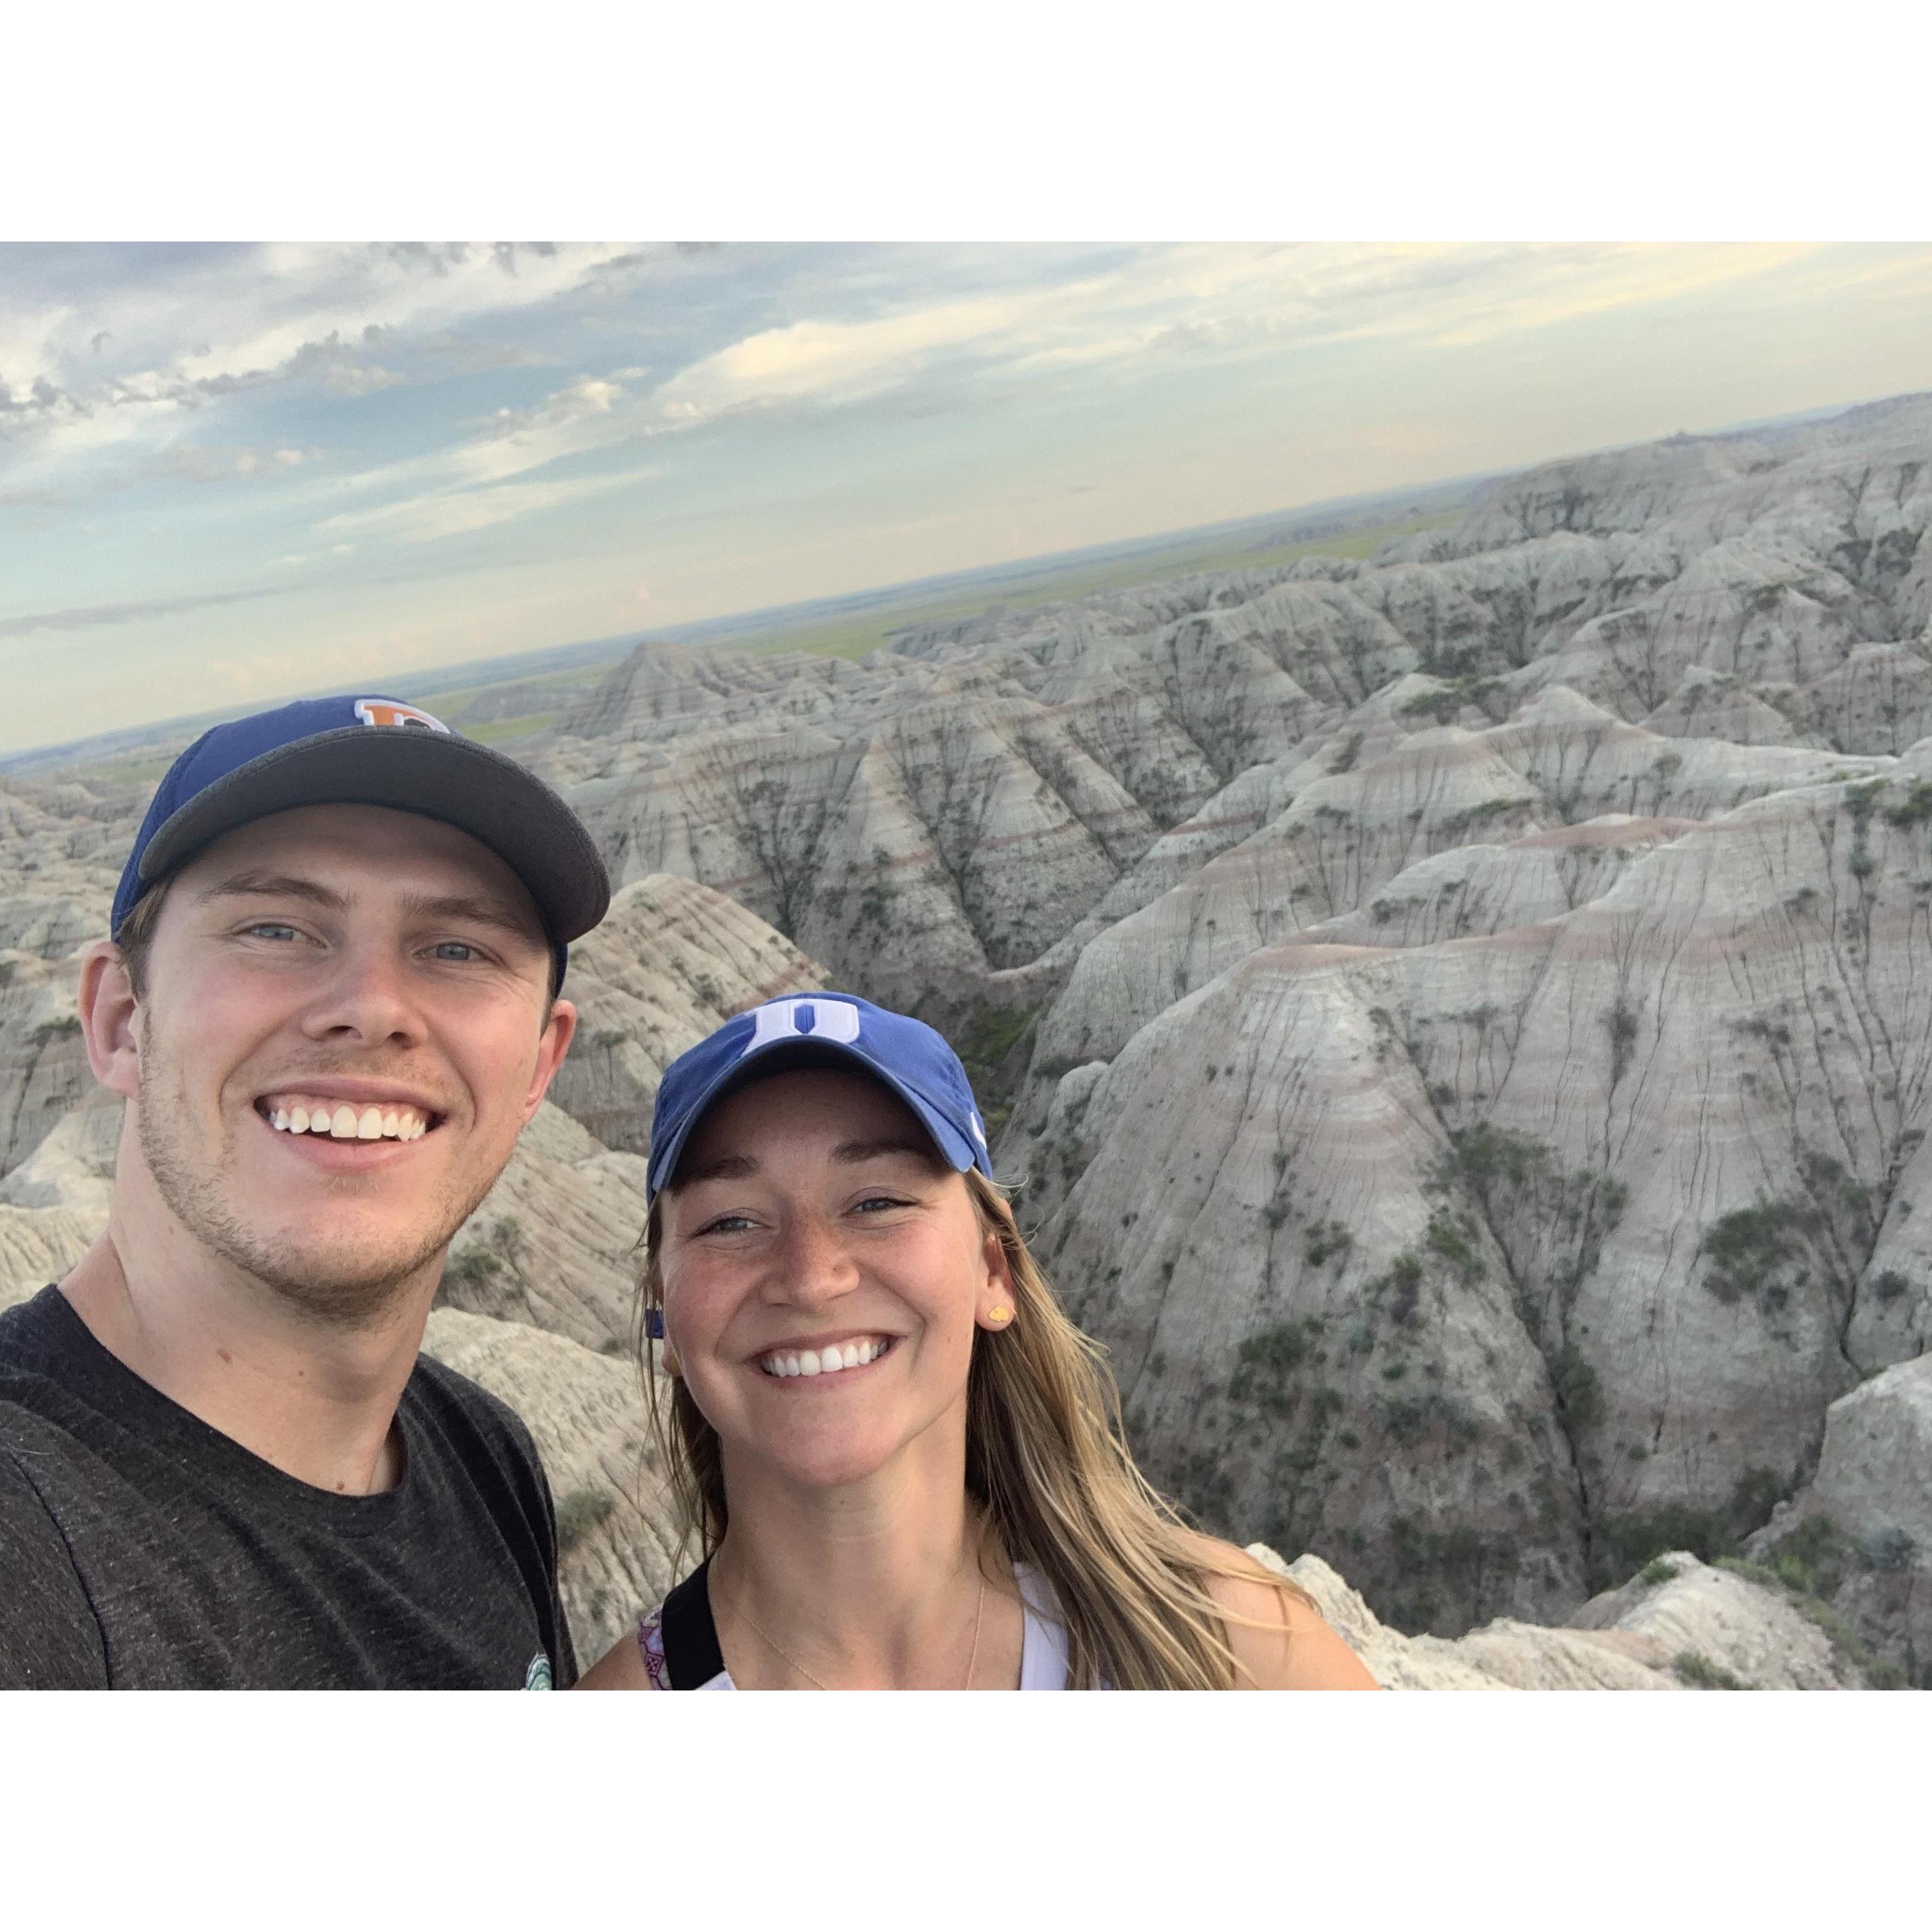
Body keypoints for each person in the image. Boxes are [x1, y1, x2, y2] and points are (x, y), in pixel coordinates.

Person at [0, 694, 609, 1689]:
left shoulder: (479, 1453)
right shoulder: (31, 1533)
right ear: (118, 1019)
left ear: (540, 1065)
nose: (371, 1008)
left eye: (457, 949)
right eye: (277, 929)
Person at [580, 993, 1376, 1690]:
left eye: (878, 1201)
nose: (811, 1276)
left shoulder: (1229, 1652)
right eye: (732, 1221)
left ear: (993, 1274)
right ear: (668, 1317)